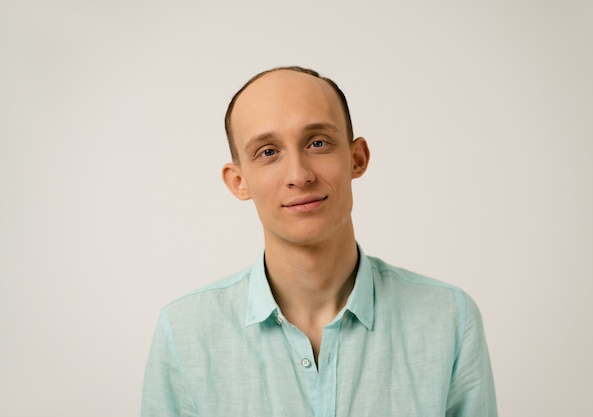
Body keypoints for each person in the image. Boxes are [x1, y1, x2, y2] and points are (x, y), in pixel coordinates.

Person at [141, 66, 498, 416]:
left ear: (356, 158)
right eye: (268, 152)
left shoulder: (449, 319)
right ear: (238, 182)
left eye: (317, 143)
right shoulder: (185, 333)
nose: (299, 175)